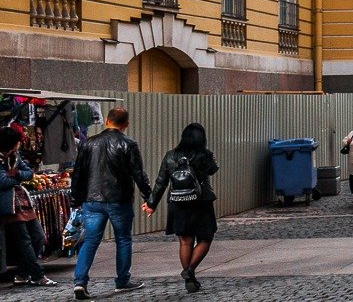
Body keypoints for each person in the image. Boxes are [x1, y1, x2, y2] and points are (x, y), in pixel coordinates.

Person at [70, 105, 152, 300]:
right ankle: (122, 280)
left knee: (90, 240)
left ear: (107, 121)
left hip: (92, 199)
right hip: (119, 199)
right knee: (123, 239)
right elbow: (138, 174)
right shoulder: (128, 144)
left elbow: (78, 173)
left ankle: (80, 282)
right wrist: (149, 197)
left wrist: (75, 198)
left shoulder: (88, 143)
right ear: (126, 124)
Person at [144, 123, 218, 293]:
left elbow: (161, 181)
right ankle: (190, 270)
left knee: (185, 241)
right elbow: (213, 170)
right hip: (201, 201)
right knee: (206, 238)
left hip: (178, 202)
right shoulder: (204, 155)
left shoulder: (170, 156)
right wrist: (208, 156)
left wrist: (151, 204)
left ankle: (189, 280)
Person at [1, 127, 56, 287]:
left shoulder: (15, 156)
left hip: (23, 203)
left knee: (38, 237)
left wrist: (16, 175)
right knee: (24, 240)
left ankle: (22, 273)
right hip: (8, 205)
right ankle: (38, 275)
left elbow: (29, 173)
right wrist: (17, 178)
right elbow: (2, 181)